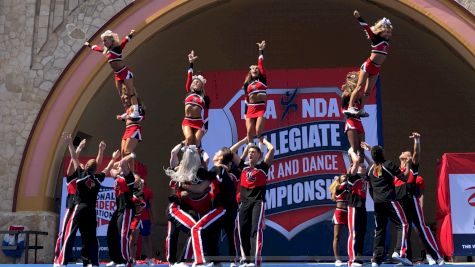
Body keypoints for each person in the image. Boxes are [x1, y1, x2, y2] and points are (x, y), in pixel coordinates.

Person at [55, 133, 118, 267]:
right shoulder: (98, 178)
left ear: (86, 167)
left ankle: (62, 262)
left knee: (70, 234)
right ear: (95, 169)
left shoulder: (81, 175)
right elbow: (105, 168)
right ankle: (95, 263)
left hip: (80, 207)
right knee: (92, 237)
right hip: (91, 210)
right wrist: (107, 155)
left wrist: (70, 144)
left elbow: (74, 157)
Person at [166, 145, 225, 267]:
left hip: (194, 207)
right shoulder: (180, 170)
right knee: (175, 233)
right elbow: (173, 153)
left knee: (197, 230)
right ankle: (175, 261)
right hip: (178, 206)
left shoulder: (201, 171)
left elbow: (201, 187)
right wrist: (183, 144)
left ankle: (189, 260)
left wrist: (185, 187)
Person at [395, 133, 444, 265]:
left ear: (409, 157)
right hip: (401, 203)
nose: (402, 152)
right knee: (406, 229)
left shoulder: (412, 171)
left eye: (406, 152)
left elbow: (417, 154)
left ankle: (438, 256)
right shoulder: (396, 172)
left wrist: (417, 141)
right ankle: (405, 257)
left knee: (422, 229)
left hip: (412, 201)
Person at [367, 145, 411, 266]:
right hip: (390, 201)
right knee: (403, 224)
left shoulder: (370, 169)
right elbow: (404, 177)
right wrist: (407, 163)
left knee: (379, 230)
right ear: (382, 154)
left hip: (377, 203)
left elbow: (369, 187)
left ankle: (376, 259)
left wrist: (376, 197)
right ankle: (400, 253)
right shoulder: (388, 164)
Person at [84, 29, 142, 120]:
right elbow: (97, 49)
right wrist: (89, 45)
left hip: (124, 72)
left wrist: (131, 34)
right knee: (122, 95)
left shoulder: (117, 48)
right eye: (103, 41)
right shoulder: (106, 51)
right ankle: (128, 112)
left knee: (131, 92)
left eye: (105, 40)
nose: (103, 43)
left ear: (111, 40)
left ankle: (136, 111)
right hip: (117, 74)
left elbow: (124, 41)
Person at [344, 10, 392, 117]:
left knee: (368, 91)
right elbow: (366, 27)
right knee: (359, 86)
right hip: (368, 65)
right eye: (386, 31)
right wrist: (359, 17)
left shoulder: (387, 42)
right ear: (380, 31)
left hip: (376, 69)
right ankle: (350, 107)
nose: (388, 34)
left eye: (389, 32)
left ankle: (361, 109)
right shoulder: (376, 39)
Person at [209, 138, 248, 266]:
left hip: (229, 207)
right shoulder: (220, 170)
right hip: (219, 205)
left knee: (231, 235)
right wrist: (244, 141)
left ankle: (233, 260)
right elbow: (228, 152)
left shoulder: (236, 172)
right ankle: (216, 260)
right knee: (214, 233)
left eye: (231, 163)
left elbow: (229, 153)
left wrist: (247, 146)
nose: (231, 164)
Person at [237, 138, 274, 267]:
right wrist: (246, 144)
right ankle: (246, 260)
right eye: (249, 152)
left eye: (253, 152)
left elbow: (272, 149)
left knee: (255, 230)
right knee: (242, 229)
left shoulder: (263, 166)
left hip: (258, 202)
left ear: (259, 155)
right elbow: (230, 153)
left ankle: (254, 260)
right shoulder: (243, 167)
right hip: (244, 203)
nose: (251, 154)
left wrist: (263, 141)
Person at [106, 153, 138, 267]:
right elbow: (110, 169)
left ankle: (126, 261)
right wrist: (115, 160)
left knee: (122, 234)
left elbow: (124, 162)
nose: (118, 167)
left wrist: (131, 156)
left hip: (127, 208)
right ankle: (116, 259)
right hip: (119, 209)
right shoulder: (118, 176)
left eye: (120, 166)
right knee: (111, 233)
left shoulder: (129, 177)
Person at [347, 147, 371, 267]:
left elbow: (373, 166)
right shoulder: (353, 177)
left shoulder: (365, 178)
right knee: (354, 233)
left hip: (362, 208)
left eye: (364, 167)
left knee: (362, 233)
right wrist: (351, 151)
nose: (365, 167)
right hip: (353, 207)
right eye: (363, 166)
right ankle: (351, 260)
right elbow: (356, 162)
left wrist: (366, 155)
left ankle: (359, 258)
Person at [182, 50, 210, 147]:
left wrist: (206, 126)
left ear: (202, 86)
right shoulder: (188, 92)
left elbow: (206, 113)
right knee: (189, 138)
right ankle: (184, 158)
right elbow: (189, 77)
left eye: (198, 82)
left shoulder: (204, 98)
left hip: (198, 122)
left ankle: (198, 159)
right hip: (188, 120)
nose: (195, 83)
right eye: (194, 82)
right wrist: (191, 63)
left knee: (197, 142)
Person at [243, 41, 267, 146]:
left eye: (256, 69)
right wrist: (245, 113)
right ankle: (251, 149)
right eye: (253, 69)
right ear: (250, 72)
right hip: (250, 109)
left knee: (258, 131)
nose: (255, 69)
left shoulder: (262, 79)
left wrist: (261, 51)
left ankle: (261, 151)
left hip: (260, 108)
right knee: (249, 132)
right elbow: (246, 99)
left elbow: (260, 64)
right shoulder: (247, 84)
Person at [342, 71, 366, 164]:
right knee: (354, 147)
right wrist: (351, 112)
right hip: (351, 121)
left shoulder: (359, 96)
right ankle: (353, 171)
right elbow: (343, 110)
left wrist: (361, 112)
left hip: (358, 121)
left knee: (362, 149)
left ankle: (362, 171)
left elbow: (360, 108)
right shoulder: (346, 95)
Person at [117, 90, 145, 171]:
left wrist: (129, 118)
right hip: (127, 130)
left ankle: (132, 172)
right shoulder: (128, 109)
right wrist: (121, 118)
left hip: (134, 128)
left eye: (127, 98)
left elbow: (140, 118)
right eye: (124, 99)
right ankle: (125, 171)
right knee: (122, 153)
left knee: (127, 151)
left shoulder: (137, 107)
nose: (125, 100)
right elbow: (125, 117)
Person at [329, 175, 349, 266]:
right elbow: (343, 185)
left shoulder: (348, 186)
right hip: (339, 213)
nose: (345, 176)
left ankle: (353, 257)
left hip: (348, 213)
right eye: (343, 176)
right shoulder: (338, 187)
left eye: (346, 176)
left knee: (352, 235)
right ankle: (337, 259)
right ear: (339, 179)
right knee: (336, 236)